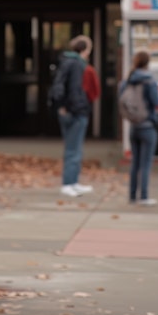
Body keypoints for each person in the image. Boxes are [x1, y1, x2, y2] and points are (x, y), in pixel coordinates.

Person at [50, 35, 100, 197]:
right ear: (85, 49)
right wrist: (73, 108)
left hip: (70, 111)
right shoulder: (77, 64)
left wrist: (62, 107)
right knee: (74, 150)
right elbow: (74, 89)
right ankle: (68, 183)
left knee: (74, 148)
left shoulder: (68, 62)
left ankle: (73, 182)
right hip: (75, 112)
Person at [118, 50, 158, 205]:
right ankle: (143, 196)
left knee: (135, 163)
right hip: (148, 126)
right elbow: (157, 101)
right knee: (146, 163)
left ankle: (132, 196)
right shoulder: (149, 80)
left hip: (133, 127)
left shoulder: (127, 80)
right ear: (147, 63)